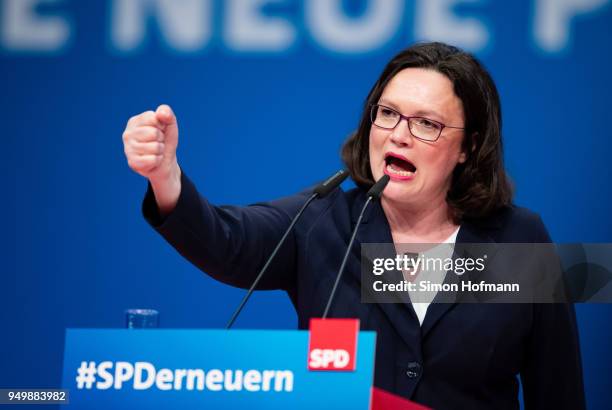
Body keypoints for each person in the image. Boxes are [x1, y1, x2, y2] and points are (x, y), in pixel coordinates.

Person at [121, 42, 585, 409]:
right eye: (387, 113)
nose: (398, 134)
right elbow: (227, 239)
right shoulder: (322, 222)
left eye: (427, 123)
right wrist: (167, 177)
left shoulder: (520, 240)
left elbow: (558, 390)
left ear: (469, 147)